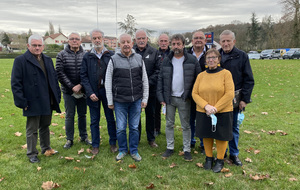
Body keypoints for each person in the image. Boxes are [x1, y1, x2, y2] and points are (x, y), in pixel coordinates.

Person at [11, 34, 61, 163]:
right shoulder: (21, 60)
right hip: (32, 100)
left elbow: (54, 80)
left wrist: (57, 96)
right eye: (34, 45)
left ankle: (46, 148)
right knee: (32, 129)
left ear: (43, 46)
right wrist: (22, 102)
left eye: (39, 45)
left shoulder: (48, 60)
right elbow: (16, 83)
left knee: (45, 125)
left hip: (47, 99)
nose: (37, 48)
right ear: (28, 46)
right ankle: (32, 153)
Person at [157, 34, 201, 161]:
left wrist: (193, 96)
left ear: (183, 44)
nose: (176, 47)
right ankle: (170, 147)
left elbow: (199, 80)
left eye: (178, 44)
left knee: (186, 125)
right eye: (174, 44)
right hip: (169, 98)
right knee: (169, 124)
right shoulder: (166, 60)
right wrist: (161, 97)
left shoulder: (192, 60)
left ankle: (187, 149)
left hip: (184, 98)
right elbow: (160, 78)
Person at [105, 33, 149, 162]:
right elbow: (108, 81)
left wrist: (145, 98)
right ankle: (123, 150)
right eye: (123, 42)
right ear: (119, 44)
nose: (125, 44)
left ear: (132, 43)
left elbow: (144, 79)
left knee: (134, 127)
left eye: (128, 42)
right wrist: (110, 101)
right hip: (120, 101)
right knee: (121, 128)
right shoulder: (113, 59)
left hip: (136, 100)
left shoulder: (139, 58)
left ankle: (134, 150)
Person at [192, 49, 235, 173]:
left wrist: (215, 108)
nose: (211, 60)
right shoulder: (201, 75)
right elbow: (194, 93)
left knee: (221, 136)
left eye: (214, 57)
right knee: (206, 135)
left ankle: (220, 160)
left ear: (218, 59)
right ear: (205, 60)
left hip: (222, 111)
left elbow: (229, 93)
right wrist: (206, 106)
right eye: (208, 58)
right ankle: (209, 158)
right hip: (204, 111)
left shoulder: (226, 74)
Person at [219, 30, 254, 166]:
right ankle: (222, 152)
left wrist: (244, 99)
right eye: (223, 41)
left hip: (235, 98)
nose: (226, 43)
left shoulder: (242, 56)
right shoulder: (217, 56)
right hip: (219, 99)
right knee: (221, 126)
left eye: (228, 41)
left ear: (234, 41)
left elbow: (249, 79)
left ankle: (234, 154)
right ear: (220, 42)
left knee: (233, 127)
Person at [80, 29, 117, 155]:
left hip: (107, 93)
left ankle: (113, 143)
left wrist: (111, 92)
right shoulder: (87, 56)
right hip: (93, 93)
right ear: (91, 40)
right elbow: (83, 76)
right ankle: (95, 144)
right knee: (94, 120)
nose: (97, 40)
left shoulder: (110, 55)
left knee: (110, 119)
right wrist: (90, 92)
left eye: (99, 38)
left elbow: (115, 75)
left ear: (103, 39)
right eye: (94, 38)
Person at [56, 32, 91, 149]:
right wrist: (72, 87)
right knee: (69, 115)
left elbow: (88, 72)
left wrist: (81, 85)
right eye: (72, 39)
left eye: (77, 39)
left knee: (82, 115)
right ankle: (69, 139)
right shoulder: (61, 55)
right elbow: (60, 73)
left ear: (80, 41)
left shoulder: (87, 55)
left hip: (83, 91)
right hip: (68, 91)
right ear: (68, 41)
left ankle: (84, 136)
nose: (74, 41)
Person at [133, 29, 160, 148]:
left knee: (151, 114)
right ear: (135, 40)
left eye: (143, 38)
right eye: (139, 38)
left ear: (147, 39)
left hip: (151, 90)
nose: (141, 40)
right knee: (135, 115)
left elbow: (158, 70)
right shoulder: (131, 51)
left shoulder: (154, 52)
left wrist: (147, 83)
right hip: (135, 90)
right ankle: (136, 138)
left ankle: (151, 139)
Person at [187, 30, 209, 152]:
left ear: (205, 41)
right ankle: (191, 141)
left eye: (201, 38)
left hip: (205, 94)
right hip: (190, 92)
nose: (198, 40)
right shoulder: (186, 54)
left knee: (203, 118)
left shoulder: (210, 54)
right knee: (190, 118)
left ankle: (202, 142)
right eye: (196, 38)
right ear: (192, 41)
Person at [155, 33, 171, 136]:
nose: (163, 43)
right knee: (156, 109)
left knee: (170, 109)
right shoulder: (155, 53)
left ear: (169, 42)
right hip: (157, 85)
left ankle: (170, 130)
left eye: (165, 41)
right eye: (161, 41)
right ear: (158, 42)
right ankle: (156, 128)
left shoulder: (173, 53)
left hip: (169, 85)